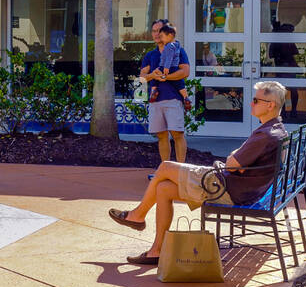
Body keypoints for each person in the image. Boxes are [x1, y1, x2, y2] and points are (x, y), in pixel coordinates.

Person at [108, 80, 289, 266]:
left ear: (270, 105)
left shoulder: (265, 135)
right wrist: (234, 157)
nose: (251, 103)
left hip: (226, 190)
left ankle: (137, 216)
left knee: (165, 168)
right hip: (235, 187)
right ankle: (156, 251)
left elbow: (232, 163)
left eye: (255, 100)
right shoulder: (276, 129)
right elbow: (237, 163)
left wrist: (233, 157)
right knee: (163, 188)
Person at [140, 19, 190, 164]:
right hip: (156, 101)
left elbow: (185, 72)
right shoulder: (150, 55)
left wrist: (165, 76)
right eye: (154, 31)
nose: (156, 34)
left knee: (177, 134)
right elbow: (142, 78)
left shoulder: (178, 50)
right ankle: (165, 170)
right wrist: (152, 76)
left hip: (174, 99)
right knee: (162, 136)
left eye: (159, 31)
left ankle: (180, 170)